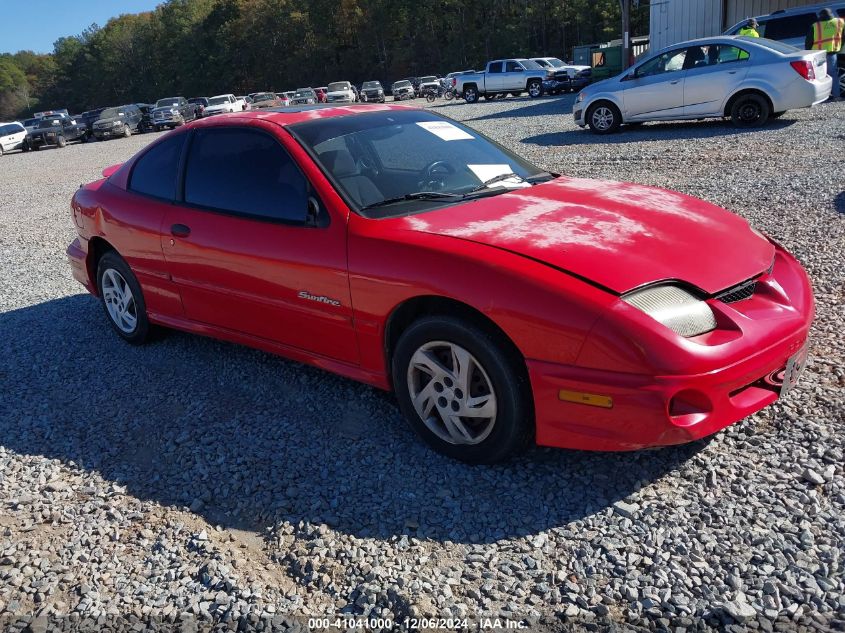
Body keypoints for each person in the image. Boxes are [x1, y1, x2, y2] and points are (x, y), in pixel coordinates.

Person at [806, 8, 844, 100]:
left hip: (817, 54)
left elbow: (808, 41)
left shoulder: (815, 26)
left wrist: (807, 52)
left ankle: (819, 97)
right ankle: (836, 96)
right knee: (833, 74)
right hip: (832, 53)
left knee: (817, 76)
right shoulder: (840, 22)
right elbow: (843, 36)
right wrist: (839, 46)